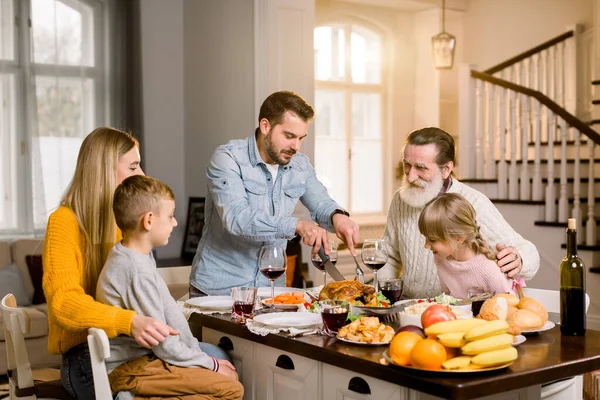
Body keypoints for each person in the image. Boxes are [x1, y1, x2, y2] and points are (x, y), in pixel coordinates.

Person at [42, 127, 179, 399]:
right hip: (86, 357)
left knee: (212, 360)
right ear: (104, 170)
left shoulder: (122, 225)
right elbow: (63, 303)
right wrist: (130, 322)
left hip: (128, 349)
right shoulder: (63, 222)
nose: (142, 174)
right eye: (133, 166)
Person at [190, 91, 360, 296]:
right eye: (289, 136)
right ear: (265, 126)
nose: (296, 146)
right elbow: (237, 218)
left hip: (270, 291)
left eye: (301, 138)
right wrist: (296, 225)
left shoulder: (300, 165)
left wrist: (337, 216)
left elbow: (321, 202)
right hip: (219, 291)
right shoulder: (228, 158)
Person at [96, 175, 243, 399]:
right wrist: (211, 366)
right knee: (231, 387)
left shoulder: (138, 256)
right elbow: (163, 345)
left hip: (148, 360)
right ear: (149, 221)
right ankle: (131, 395)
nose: (175, 223)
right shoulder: (136, 270)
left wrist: (200, 356)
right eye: (171, 216)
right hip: (133, 368)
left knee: (221, 362)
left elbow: (170, 313)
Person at [379, 127, 539, 299]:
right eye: (407, 165)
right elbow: (389, 257)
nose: (410, 177)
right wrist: (381, 299)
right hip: (408, 307)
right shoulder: (400, 199)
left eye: (421, 168)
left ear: (446, 169)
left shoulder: (474, 202)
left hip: (456, 313)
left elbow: (528, 250)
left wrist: (520, 259)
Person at [418, 193, 514, 299]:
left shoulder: (488, 269)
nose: (426, 245)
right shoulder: (441, 259)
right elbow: (447, 297)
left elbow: (508, 304)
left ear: (459, 237)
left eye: (432, 239)